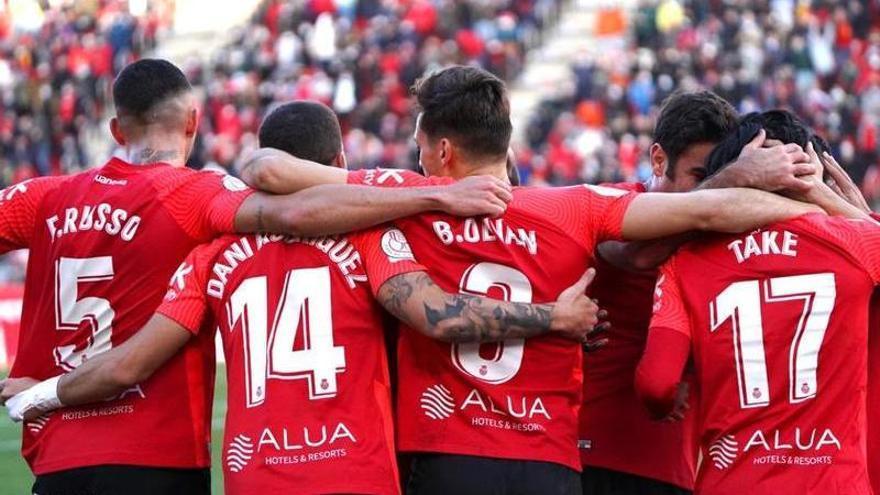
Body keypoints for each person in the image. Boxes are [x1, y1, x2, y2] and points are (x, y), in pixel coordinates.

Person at [233, 66, 821, 495]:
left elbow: (266, 168)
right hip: (550, 463)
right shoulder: (575, 207)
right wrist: (806, 199)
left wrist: (430, 194)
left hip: (443, 455)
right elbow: (704, 214)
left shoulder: (402, 197)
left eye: (418, 149)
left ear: (440, 150)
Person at [1, 100, 604, 494]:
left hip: (255, 476)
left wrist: (41, 394)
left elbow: (130, 362)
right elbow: (435, 315)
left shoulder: (209, 255)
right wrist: (555, 315)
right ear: (339, 162)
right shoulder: (374, 238)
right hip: (357, 473)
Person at [579, 90, 817, 495]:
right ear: (658, 159)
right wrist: (732, 180)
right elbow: (636, 255)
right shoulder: (610, 199)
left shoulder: (726, 233)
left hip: (681, 467)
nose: (712, 193)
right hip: (593, 456)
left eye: (718, 174)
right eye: (699, 176)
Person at [636, 110, 878, 495]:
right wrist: (828, 199)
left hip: (732, 480)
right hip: (832, 481)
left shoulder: (685, 262)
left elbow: (656, 384)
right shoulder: (856, 244)